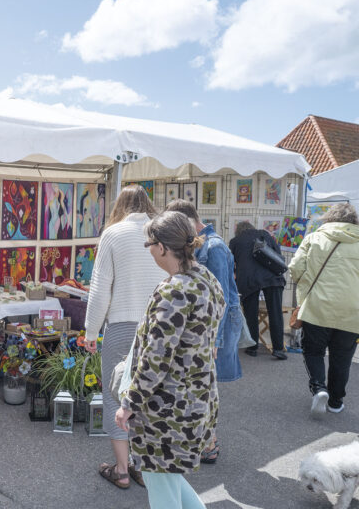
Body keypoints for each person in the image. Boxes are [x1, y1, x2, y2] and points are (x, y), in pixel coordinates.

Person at [115, 211, 225, 509]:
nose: (149, 250)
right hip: (195, 400)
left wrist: (129, 404)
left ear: (162, 246)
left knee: (162, 485)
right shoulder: (206, 279)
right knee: (166, 478)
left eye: (149, 243)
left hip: (166, 411)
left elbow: (156, 357)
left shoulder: (175, 289)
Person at [84, 184, 164, 490]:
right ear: (148, 204)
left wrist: (91, 331)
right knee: (150, 397)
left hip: (121, 325)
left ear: (120, 204)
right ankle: (142, 467)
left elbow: (100, 287)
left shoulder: (113, 233)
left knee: (116, 394)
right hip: (157, 326)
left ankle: (120, 468)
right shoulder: (159, 234)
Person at [166, 200, 245, 463]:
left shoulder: (215, 247)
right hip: (208, 329)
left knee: (206, 387)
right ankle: (204, 440)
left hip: (213, 330)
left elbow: (218, 296)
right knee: (203, 387)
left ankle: (209, 443)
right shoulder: (207, 244)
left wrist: (214, 340)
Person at [288, 202, 359, 417]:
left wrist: (306, 287)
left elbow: (295, 269)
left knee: (314, 351)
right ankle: (336, 401)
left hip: (317, 307)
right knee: (342, 357)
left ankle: (319, 388)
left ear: (329, 218)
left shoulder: (314, 238)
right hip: (352, 311)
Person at [229, 221, 287, 359]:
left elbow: (232, 262)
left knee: (251, 313)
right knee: (275, 313)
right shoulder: (265, 235)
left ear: (238, 231)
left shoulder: (235, 241)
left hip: (248, 280)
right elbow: (278, 255)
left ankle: (252, 347)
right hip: (273, 277)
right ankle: (278, 348)